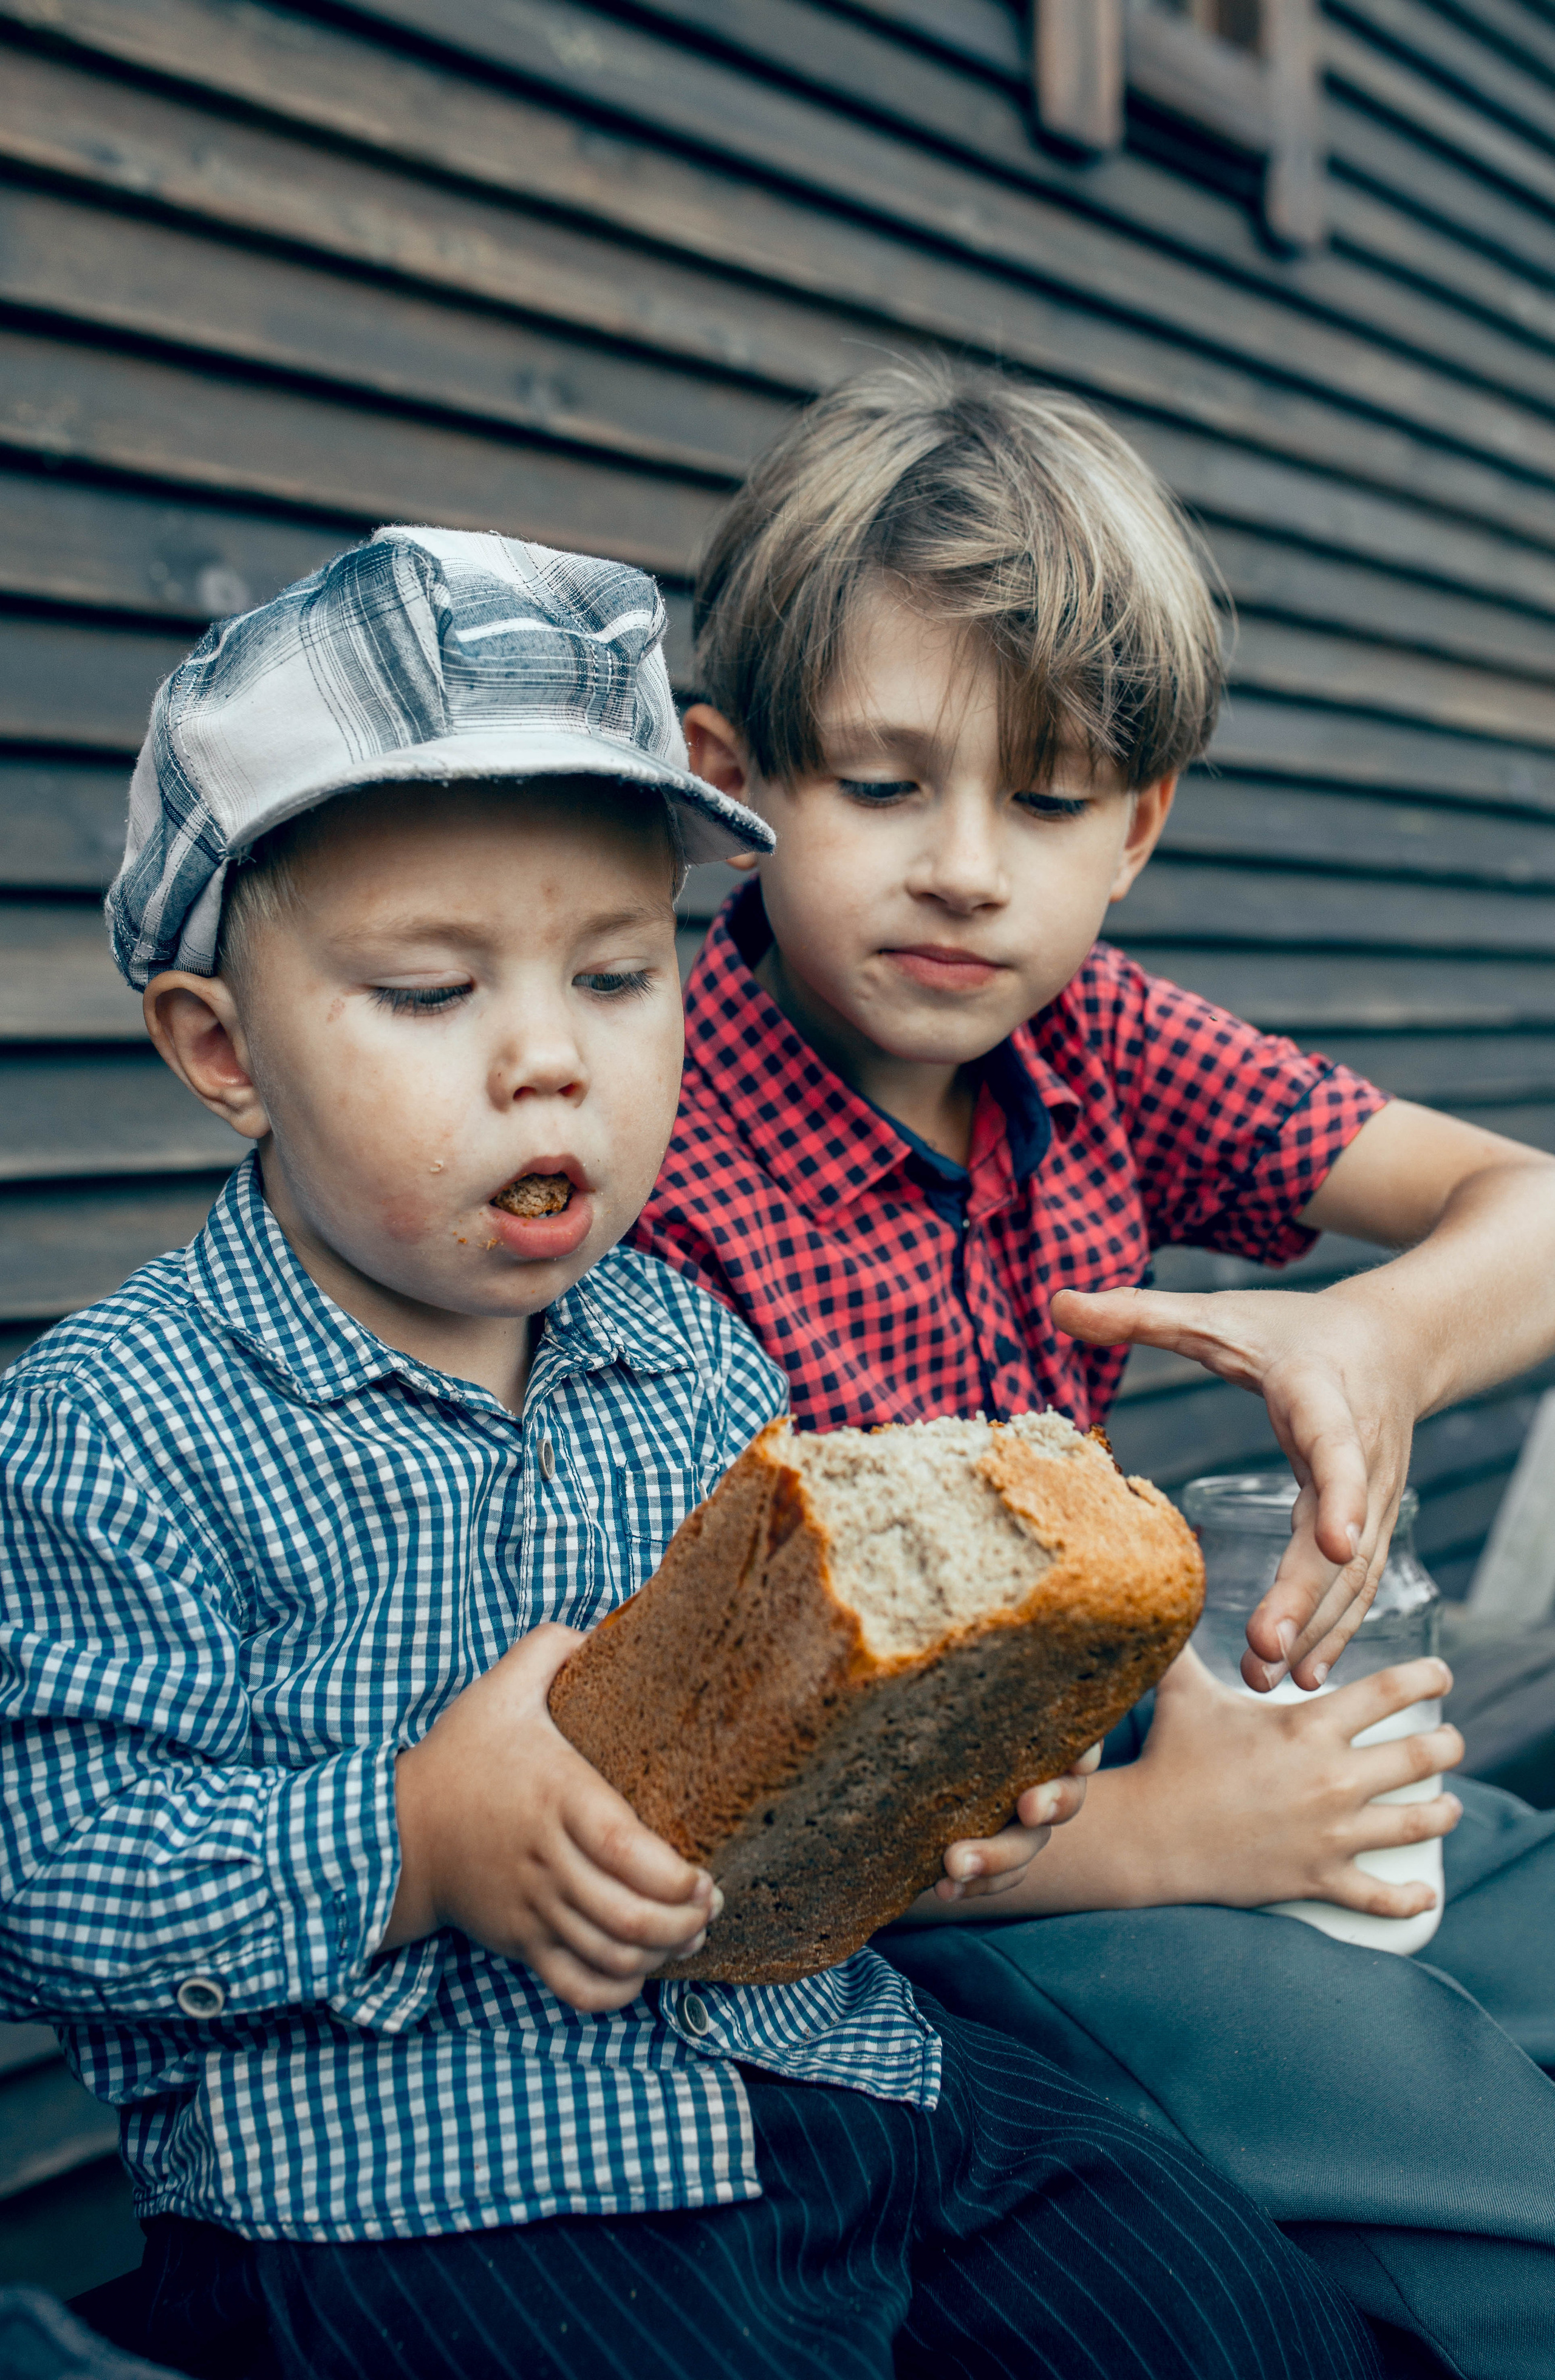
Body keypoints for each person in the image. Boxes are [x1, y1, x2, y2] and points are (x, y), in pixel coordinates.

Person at [0, 529, 1377, 2380]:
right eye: (430, 993)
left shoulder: (695, 1356)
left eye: (616, 974)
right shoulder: (117, 1425)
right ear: (220, 1049)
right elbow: (50, 1879)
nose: (548, 1063)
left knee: (1220, 2308)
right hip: (434, 2189)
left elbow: (789, 1763)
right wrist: (415, 1839)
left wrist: (946, 1788)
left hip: (839, 2073)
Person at [631, 361, 1555, 2379]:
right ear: (731, 785)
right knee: (1489, 2199)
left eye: (1045, 802)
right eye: (882, 787)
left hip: (1154, 1746)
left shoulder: (1091, 1041)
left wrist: (1378, 1336)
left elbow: (1531, 1208)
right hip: (933, 1916)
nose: (969, 867)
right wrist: (1170, 1846)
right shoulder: (647, 1156)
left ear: (1131, 829)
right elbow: (705, 1826)